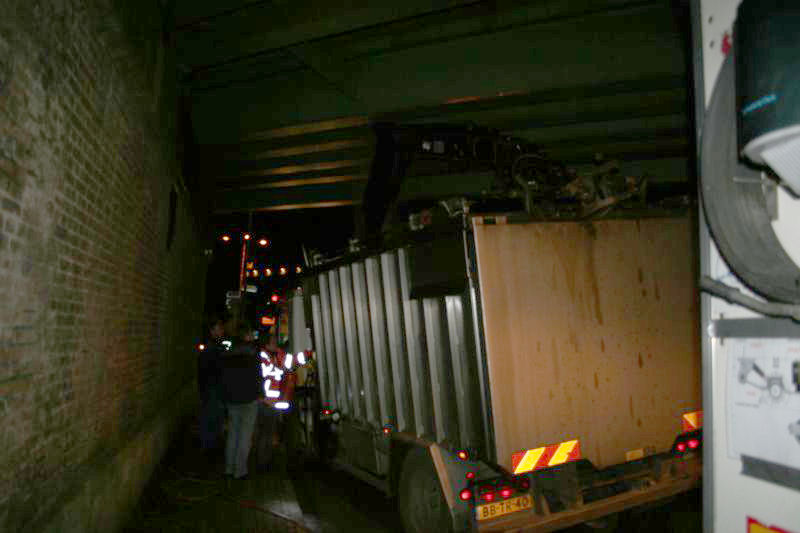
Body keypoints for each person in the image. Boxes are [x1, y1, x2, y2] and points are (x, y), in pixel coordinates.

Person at [221, 325, 263, 479]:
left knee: (232, 433)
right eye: (251, 334)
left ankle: (228, 468)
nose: (253, 336)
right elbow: (258, 376)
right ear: (247, 336)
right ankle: (240, 471)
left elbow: (223, 377)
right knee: (245, 436)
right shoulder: (253, 354)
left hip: (232, 398)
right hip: (249, 399)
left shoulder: (228, 354)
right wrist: (260, 394)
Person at [198, 315, 227, 456]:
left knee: (213, 420)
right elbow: (209, 370)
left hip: (213, 390)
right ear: (212, 331)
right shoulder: (212, 348)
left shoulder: (216, 347)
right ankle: (209, 449)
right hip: (212, 390)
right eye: (219, 329)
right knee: (211, 420)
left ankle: (209, 447)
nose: (222, 331)